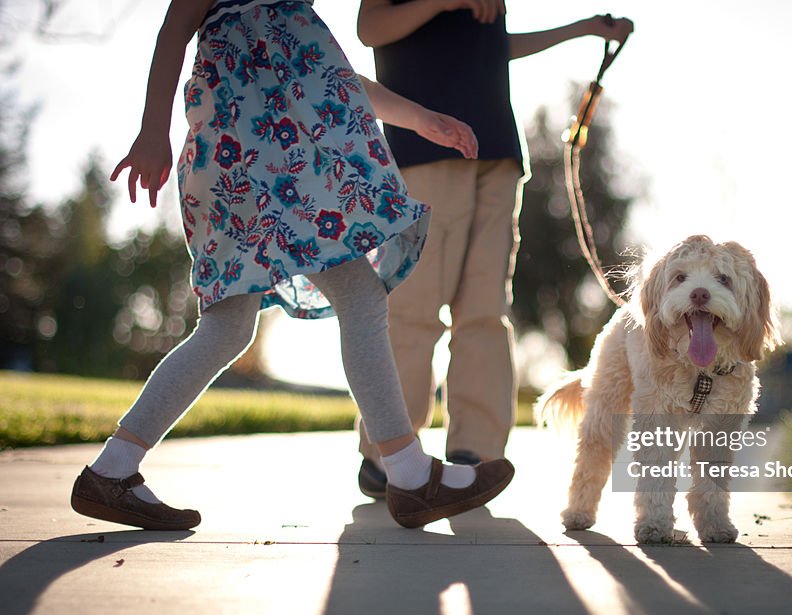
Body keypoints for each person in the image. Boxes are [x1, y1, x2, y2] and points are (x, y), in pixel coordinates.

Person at [69, 0, 514, 532]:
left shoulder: (292, 13)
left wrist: (421, 119)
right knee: (360, 296)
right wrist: (151, 130)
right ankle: (409, 474)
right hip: (262, 158)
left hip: (242, 160)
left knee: (227, 327)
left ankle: (112, 470)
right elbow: (175, 27)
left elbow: (327, 75)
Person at [354, 0, 633, 497]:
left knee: (485, 310)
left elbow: (491, 46)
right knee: (413, 308)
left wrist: (583, 28)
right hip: (424, 150)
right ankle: (387, 454)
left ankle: (476, 453)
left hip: (497, 151)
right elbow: (369, 28)